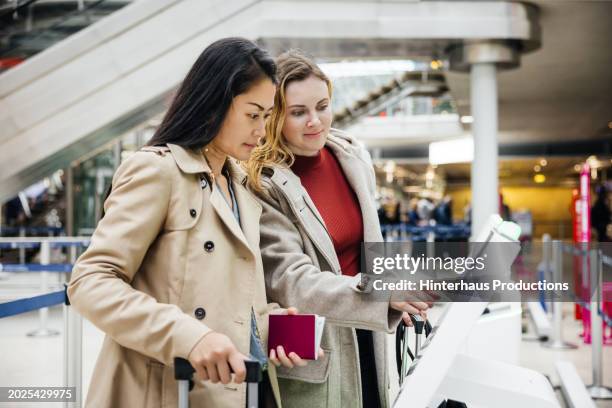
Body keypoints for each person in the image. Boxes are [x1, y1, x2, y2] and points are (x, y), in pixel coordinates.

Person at [68, 38, 307, 408]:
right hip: (168, 389)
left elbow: (225, 298)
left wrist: (271, 325)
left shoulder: (242, 187)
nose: (262, 131)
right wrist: (187, 336)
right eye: (252, 114)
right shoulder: (157, 171)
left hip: (242, 389)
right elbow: (90, 282)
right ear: (215, 103)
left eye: (267, 116)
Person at [246, 50, 429, 408]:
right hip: (316, 343)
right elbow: (290, 282)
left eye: (322, 106)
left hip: (369, 330)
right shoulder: (263, 182)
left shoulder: (351, 157)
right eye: (298, 113)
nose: (315, 121)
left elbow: (366, 250)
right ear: (275, 118)